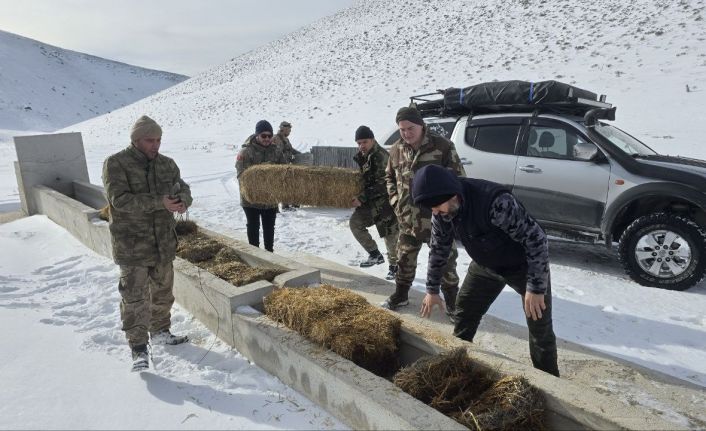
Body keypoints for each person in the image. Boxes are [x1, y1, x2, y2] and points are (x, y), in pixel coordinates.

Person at [412, 164, 560, 377]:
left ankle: (551, 384)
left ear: (452, 195)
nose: (435, 212)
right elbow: (438, 249)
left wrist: (536, 288)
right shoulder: (442, 211)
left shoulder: (495, 202)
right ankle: (457, 366)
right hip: (486, 264)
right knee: (464, 312)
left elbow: (536, 239)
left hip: (523, 267)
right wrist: (432, 289)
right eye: (431, 209)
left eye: (436, 206)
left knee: (540, 330)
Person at [102, 115, 193, 372]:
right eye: (149, 140)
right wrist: (160, 202)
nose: (155, 145)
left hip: (163, 243)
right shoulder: (116, 163)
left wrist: (183, 201)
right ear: (135, 140)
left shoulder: (167, 164)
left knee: (163, 292)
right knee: (134, 298)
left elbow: (183, 187)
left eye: (158, 140)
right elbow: (119, 200)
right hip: (133, 246)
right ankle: (138, 347)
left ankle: (161, 330)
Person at [382, 106, 465, 312]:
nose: (406, 133)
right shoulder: (396, 149)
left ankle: (453, 303)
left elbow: (459, 180)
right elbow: (389, 177)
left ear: (421, 125)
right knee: (404, 260)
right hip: (407, 219)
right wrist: (395, 201)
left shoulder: (443, 147)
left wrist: (449, 209)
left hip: (437, 219)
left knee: (446, 262)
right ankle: (401, 295)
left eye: (410, 128)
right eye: (402, 130)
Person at [349, 126, 399, 280]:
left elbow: (384, 183)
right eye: (358, 143)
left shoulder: (381, 156)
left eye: (364, 142)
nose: (361, 146)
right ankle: (375, 254)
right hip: (371, 204)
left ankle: (395, 267)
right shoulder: (365, 156)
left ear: (372, 140)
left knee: (390, 236)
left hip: (385, 204)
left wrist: (362, 198)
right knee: (355, 223)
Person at [236, 120, 286, 251]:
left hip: (270, 198)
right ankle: (255, 254)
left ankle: (269, 253)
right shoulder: (246, 152)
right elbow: (242, 175)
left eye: (270, 136)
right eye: (264, 136)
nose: (267, 139)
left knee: (269, 227)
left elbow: (284, 171)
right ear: (257, 135)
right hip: (251, 198)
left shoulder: (276, 151)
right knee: (253, 226)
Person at [273, 121, 300, 211]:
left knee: (288, 185)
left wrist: (300, 154)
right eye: (289, 130)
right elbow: (278, 154)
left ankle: (288, 204)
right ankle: (283, 206)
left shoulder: (285, 139)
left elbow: (291, 150)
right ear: (283, 129)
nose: (290, 132)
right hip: (279, 167)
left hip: (286, 166)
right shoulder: (276, 139)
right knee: (281, 186)